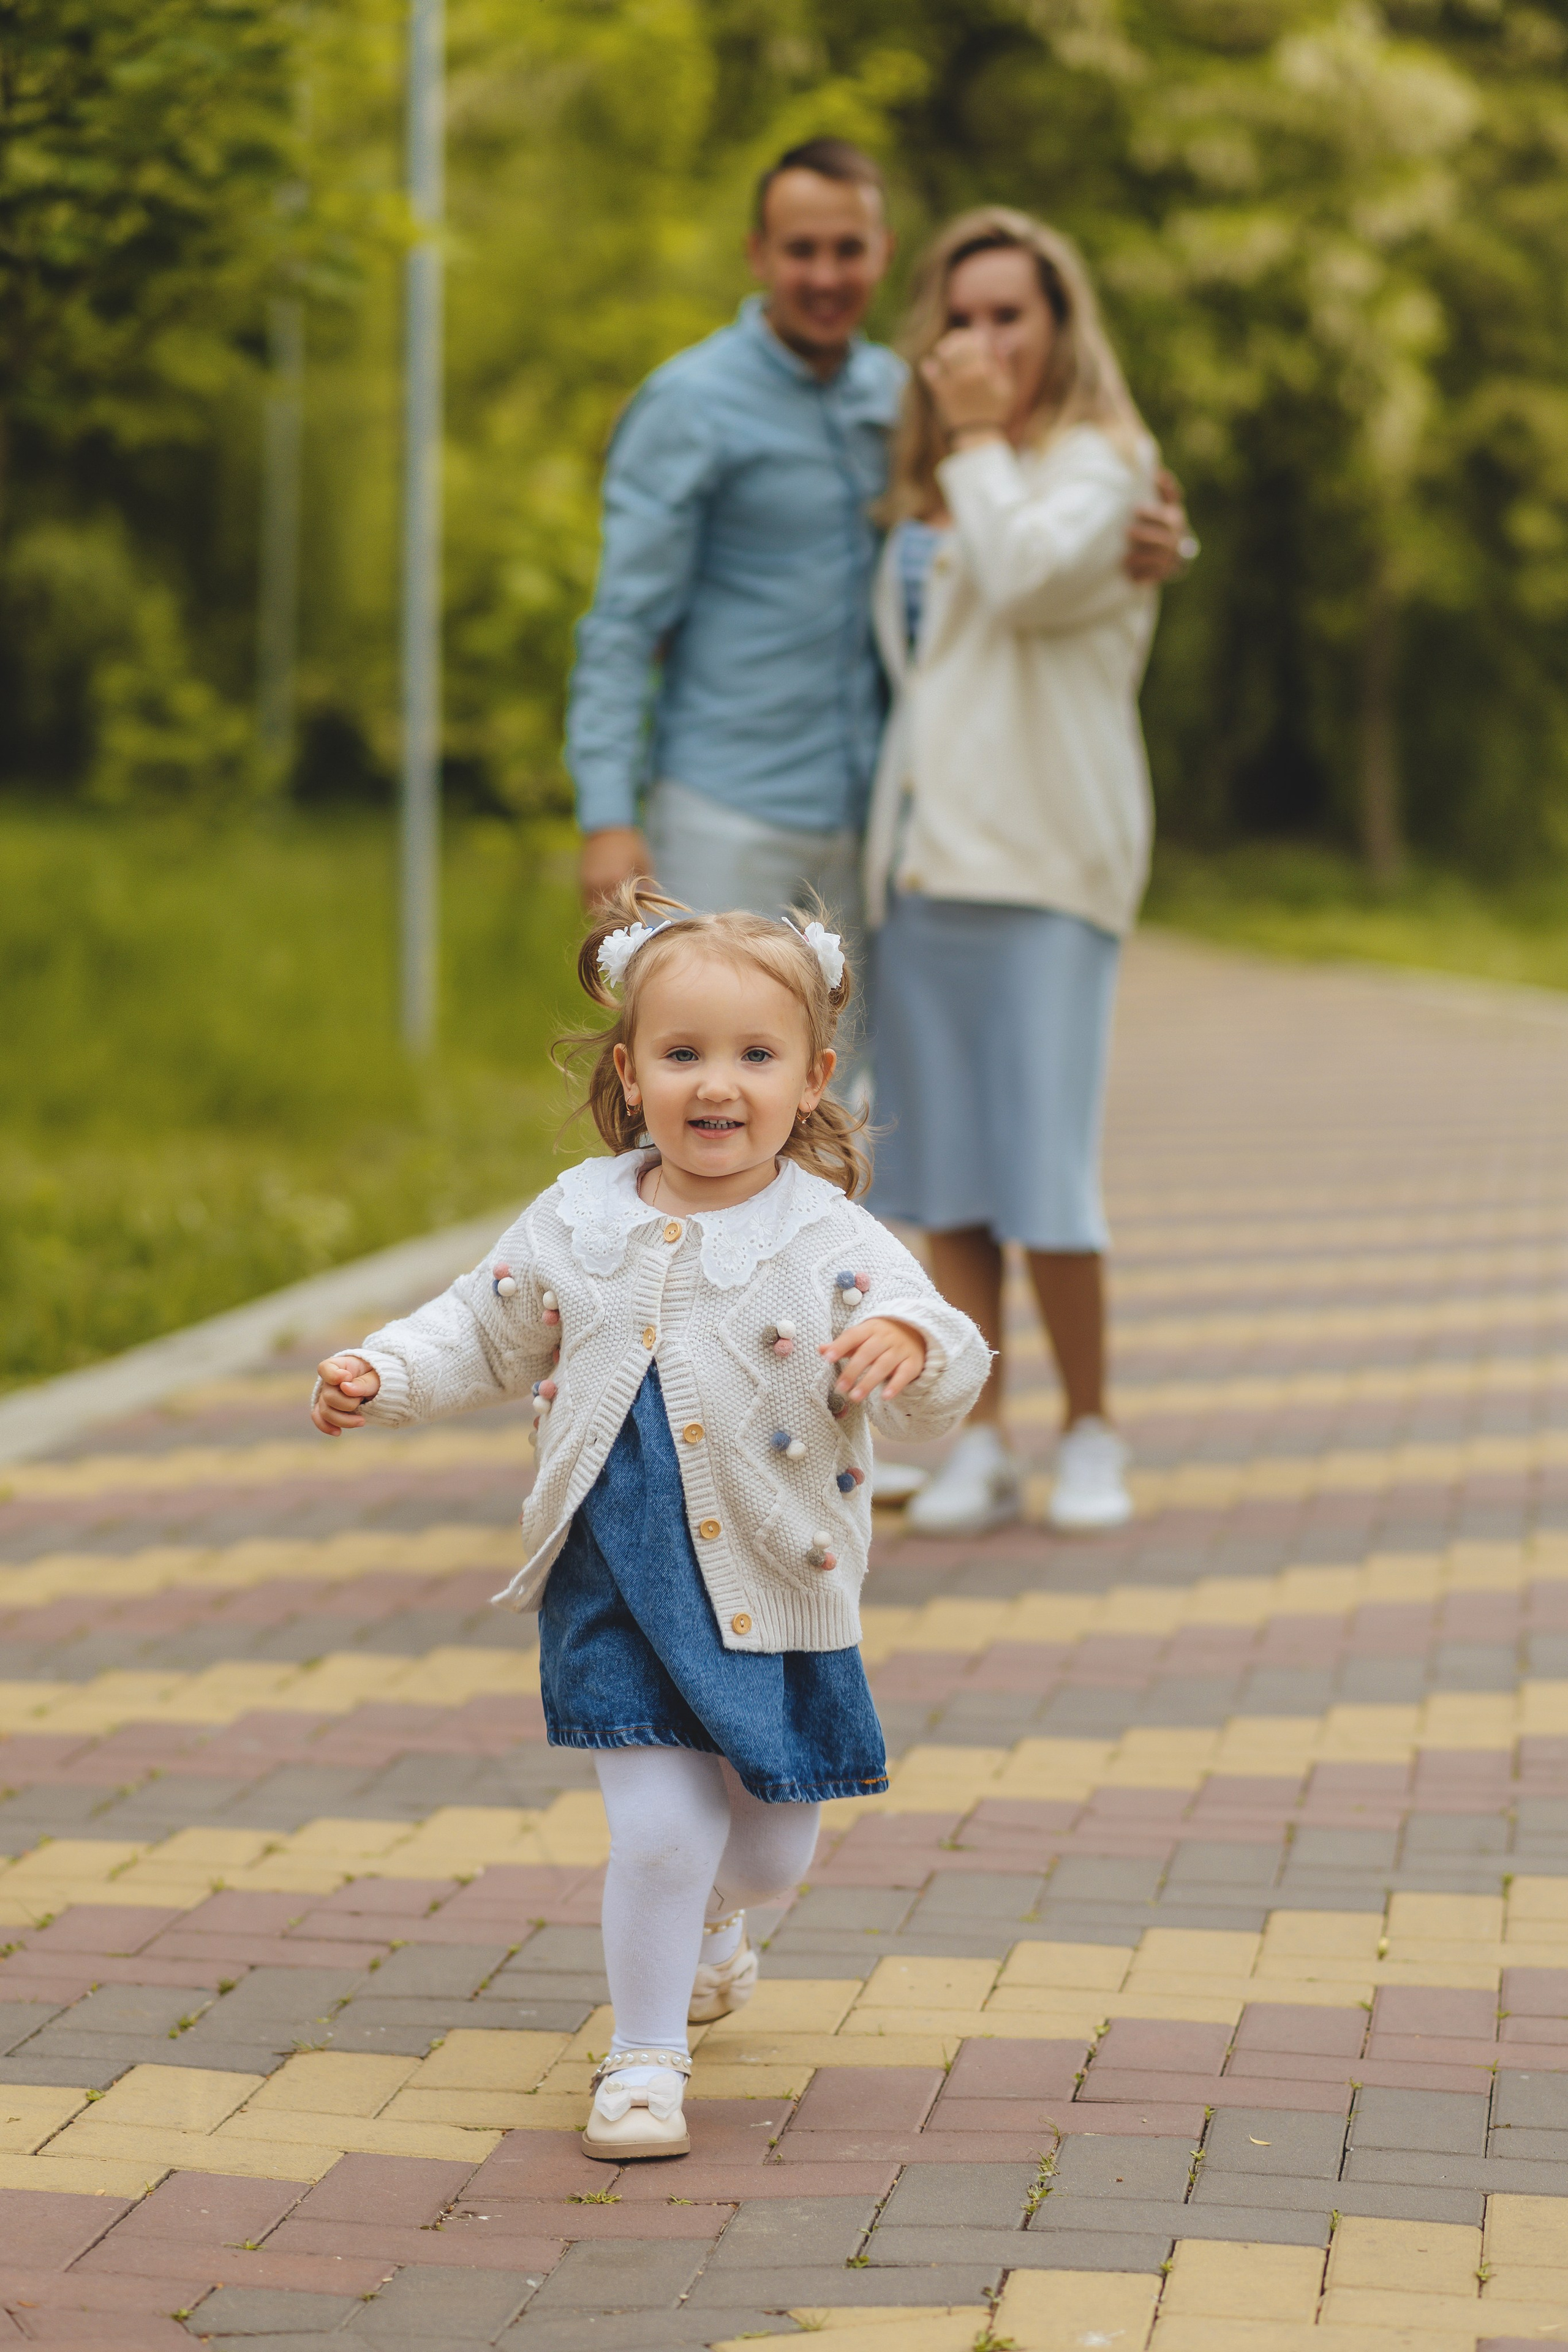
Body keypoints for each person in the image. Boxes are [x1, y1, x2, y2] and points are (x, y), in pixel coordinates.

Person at [310, 893, 987, 2161]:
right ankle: (642, 2055)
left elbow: (937, 1354)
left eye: (752, 1057)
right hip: (615, 1572)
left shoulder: (831, 1238)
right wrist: (383, 1373)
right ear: (629, 1074)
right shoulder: (578, 1217)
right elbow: (482, 1324)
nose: (714, 1086)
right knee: (662, 1832)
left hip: (775, 1584)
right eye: (681, 1055)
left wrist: (908, 1341)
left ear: (810, 1077)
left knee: (772, 1845)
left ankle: (724, 1924)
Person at [565, 139, 1193, 948]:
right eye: (801, 251)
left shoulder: (908, 397)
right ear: (758, 254)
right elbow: (622, 624)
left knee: (841, 1075)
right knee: (718, 1065)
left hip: (876, 830)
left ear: (883, 253)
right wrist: (608, 818)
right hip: (728, 814)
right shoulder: (688, 405)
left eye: (848, 250)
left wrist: (1166, 544)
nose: (826, 276)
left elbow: (1028, 512)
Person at [864, 207, 1161, 1539]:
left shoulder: (1107, 466)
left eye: (1009, 316)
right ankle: (973, 1437)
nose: (982, 341)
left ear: (1058, 327)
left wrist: (978, 440)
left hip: (1046, 863)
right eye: (961, 318)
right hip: (925, 866)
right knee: (948, 1178)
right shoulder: (936, 484)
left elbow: (1035, 581)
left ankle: (1090, 1432)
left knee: (1043, 1170)